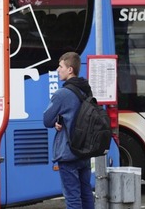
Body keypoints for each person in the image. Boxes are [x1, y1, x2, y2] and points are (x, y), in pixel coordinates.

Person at [43, 52, 95, 209]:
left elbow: (47, 120)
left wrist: (56, 120)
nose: (58, 70)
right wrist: (60, 120)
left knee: (72, 198)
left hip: (68, 152)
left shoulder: (62, 94)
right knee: (86, 194)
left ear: (70, 69)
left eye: (61, 66)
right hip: (84, 151)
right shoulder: (86, 90)